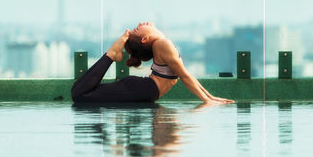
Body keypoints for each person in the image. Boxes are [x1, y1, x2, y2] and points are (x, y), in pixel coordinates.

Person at [71, 22, 235, 105]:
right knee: (79, 95)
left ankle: (111, 54)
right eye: (138, 28)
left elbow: (185, 75)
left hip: (144, 90)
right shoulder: (163, 44)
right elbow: (184, 76)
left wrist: (210, 98)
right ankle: (111, 54)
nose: (141, 23)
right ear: (144, 39)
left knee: (80, 94)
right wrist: (208, 100)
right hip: (143, 89)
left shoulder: (161, 45)